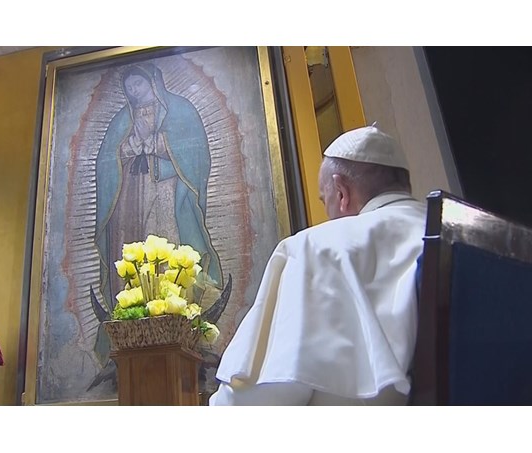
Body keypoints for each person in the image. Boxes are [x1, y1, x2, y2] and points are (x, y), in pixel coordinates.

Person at [209, 124, 426, 405]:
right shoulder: (462, 233)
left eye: (325, 201)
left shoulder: (315, 248)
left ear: (341, 192)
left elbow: (259, 400)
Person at [94, 63, 223, 312]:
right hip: (130, 198)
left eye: (138, 83)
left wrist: (159, 143)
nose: (133, 90)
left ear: (153, 81)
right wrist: (127, 148)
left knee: (168, 239)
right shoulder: (123, 119)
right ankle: (133, 307)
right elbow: (106, 160)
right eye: (129, 86)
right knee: (133, 245)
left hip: (168, 192)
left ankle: (175, 306)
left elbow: (196, 151)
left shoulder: (180, 110)